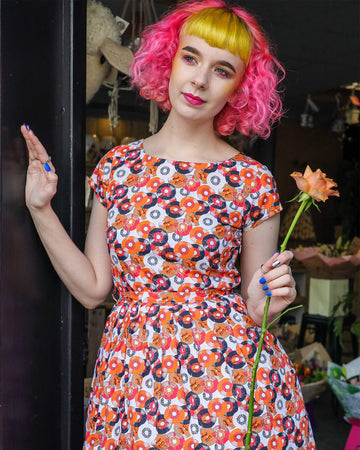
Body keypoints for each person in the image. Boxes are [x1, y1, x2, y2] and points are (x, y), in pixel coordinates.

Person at [21, 0, 315, 448]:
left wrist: (271, 301)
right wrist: (41, 209)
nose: (198, 79)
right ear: (169, 58)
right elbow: (93, 289)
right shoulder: (118, 167)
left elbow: (256, 308)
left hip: (226, 390)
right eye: (191, 57)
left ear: (240, 88)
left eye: (222, 70)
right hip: (133, 377)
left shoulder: (252, 181)